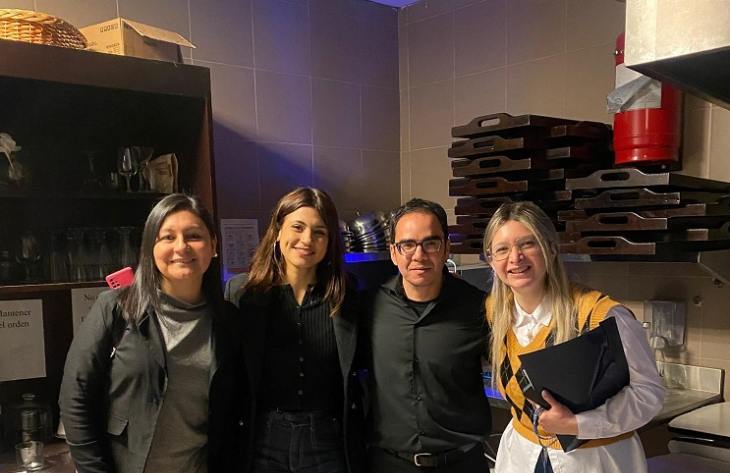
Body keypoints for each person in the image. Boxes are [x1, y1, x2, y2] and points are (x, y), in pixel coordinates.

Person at [59, 194, 243, 473]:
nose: (181, 247)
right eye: (167, 237)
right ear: (150, 248)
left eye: (194, 236)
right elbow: (75, 395)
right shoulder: (116, 307)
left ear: (213, 246)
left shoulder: (228, 320)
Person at [482, 201, 665, 473]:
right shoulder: (496, 311)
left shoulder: (601, 316)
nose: (515, 257)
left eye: (528, 244)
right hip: (522, 455)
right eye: (502, 249)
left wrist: (578, 425)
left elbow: (649, 394)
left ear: (551, 248)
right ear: (490, 258)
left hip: (594, 461)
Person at [233, 187, 365, 473]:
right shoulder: (244, 294)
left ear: (329, 241)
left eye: (319, 232)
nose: (307, 240)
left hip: (326, 438)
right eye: (298, 227)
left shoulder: (347, 295)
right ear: (277, 230)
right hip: (264, 436)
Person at [364, 198, 492, 473]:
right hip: (389, 465)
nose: (419, 255)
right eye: (407, 245)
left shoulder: (480, 308)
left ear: (446, 247)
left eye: (430, 243)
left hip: (462, 465)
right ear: (393, 252)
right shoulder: (370, 307)